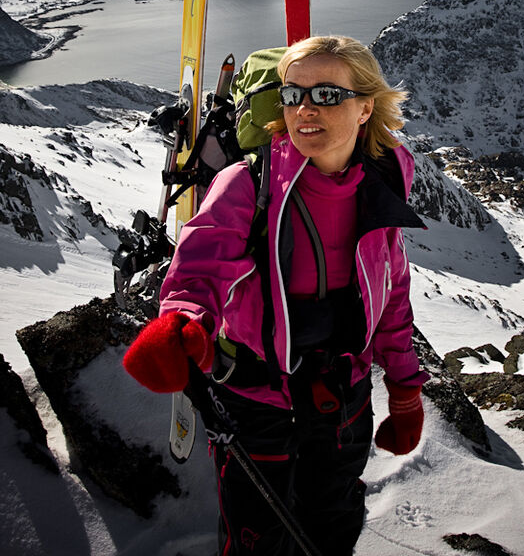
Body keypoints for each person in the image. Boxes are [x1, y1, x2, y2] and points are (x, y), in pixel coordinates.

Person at [124, 35, 428, 556]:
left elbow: (391, 285)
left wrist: (404, 387)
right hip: (256, 401)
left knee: (333, 526)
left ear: (365, 108)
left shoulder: (383, 176)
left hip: (344, 396)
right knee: (256, 539)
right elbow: (201, 266)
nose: (305, 109)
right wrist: (181, 323)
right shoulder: (248, 183)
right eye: (293, 94)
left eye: (326, 95)